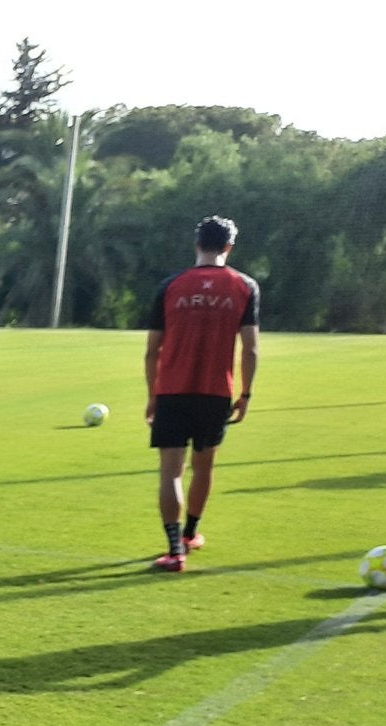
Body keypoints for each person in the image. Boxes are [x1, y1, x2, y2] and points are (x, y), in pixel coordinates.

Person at [144, 215, 260, 573]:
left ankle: (175, 549)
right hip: (215, 393)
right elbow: (251, 349)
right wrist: (246, 395)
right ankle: (192, 533)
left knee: (171, 473)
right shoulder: (245, 286)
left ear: (197, 244)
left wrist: (153, 395)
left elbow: (152, 350)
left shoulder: (171, 286)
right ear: (229, 247)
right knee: (204, 466)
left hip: (172, 392)